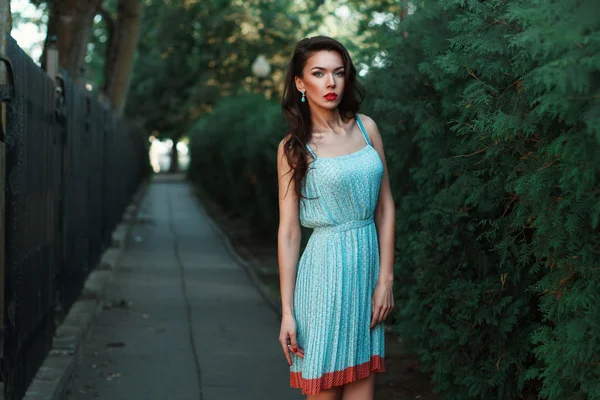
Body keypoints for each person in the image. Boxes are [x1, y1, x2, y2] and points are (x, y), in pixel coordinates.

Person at [277, 36, 396, 400]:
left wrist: (385, 280)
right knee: (324, 392)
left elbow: (385, 207)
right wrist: (287, 312)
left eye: (338, 73)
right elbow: (289, 231)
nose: (331, 83)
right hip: (323, 277)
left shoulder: (366, 127)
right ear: (300, 82)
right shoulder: (293, 148)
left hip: (366, 275)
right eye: (319, 73)